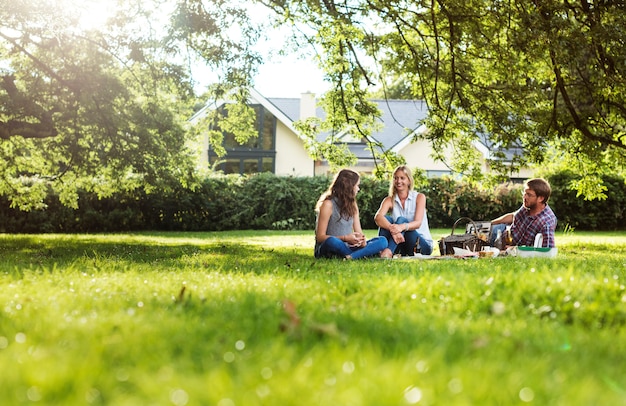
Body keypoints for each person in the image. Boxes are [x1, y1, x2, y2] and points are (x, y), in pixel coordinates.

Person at [314, 169, 388, 260]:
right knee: (332, 241)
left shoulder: (353, 205)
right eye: (357, 185)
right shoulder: (328, 204)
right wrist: (345, 238)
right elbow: (320, 237)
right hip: (329, 247)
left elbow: (359, 232)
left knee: (382, 241)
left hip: (347, 247)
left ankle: (351, 257)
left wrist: (362, 241)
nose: (358, 189)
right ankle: (361, 255)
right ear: (349, 186)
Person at [374, 165, 434, 258]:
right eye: (396, 178)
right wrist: (393, 229)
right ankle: (383, 250)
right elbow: (378, 217)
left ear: (409, 181)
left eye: (402, 178)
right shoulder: (389, 200)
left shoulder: (419, 197)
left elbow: (417, 223)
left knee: (401, 220)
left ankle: (388, 251)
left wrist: (401, 227)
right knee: (386, 219)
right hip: (400, 242)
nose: (398, 181)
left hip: (421, 245)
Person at [490, 178, 557, 248]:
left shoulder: (546, 222)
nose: (524, 197)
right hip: (503, 234)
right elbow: (513, 216)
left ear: (541, 198)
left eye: (529, 195)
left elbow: (548, 250)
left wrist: (513, 249)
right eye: (524, 193)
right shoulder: (527, 206)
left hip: (513, 249)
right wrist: (490, 224)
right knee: (482, 232)